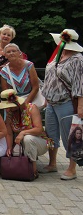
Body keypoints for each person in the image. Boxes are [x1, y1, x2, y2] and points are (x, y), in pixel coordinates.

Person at [41, 29, 83, 180]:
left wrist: (80, 106)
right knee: (51, 134)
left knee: (69, 135)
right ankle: (53, 164)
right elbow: (49, 77)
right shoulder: (59, 54)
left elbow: (79, 84)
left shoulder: (77, 59)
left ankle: (72, 168)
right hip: (51, 102)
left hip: (66, 102)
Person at [0, 89, 52, 179]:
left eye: (10, 106)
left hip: (41, 141)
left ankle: (33, 170)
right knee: (15, 149)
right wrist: (9, 148)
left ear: (17, 103)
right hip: (23, 143)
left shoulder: (31, 108)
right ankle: (22, 168)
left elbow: (39, 129)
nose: (8, 109)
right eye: (6, 107)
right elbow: (9, 134)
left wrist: (23, 132)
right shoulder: (9, 114)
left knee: (28, 138)